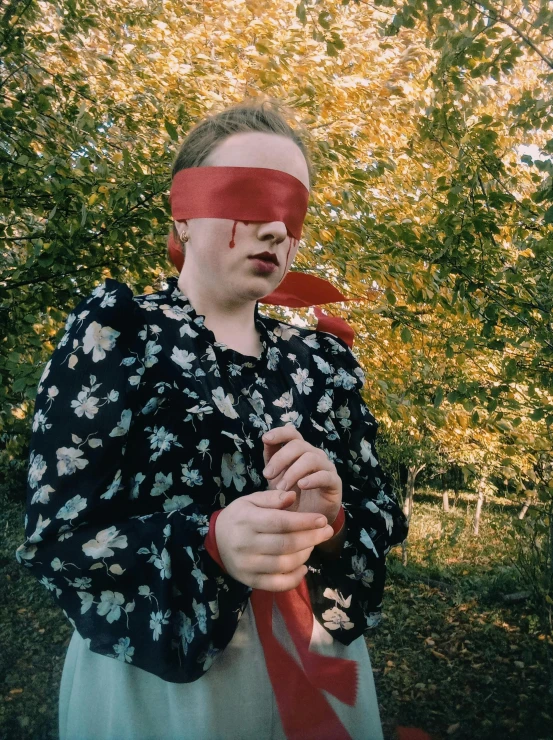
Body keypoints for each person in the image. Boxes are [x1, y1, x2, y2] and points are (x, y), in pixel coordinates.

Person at [16, 100, 408, 740]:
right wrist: (210, 540)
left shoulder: (323, 362)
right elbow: (56, 533)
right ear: (184, 213)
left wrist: (333, 520)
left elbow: (382, 513)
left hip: (321, 673)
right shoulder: (118, 335)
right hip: (158, 692)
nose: (277, 230)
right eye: (250, 197)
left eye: (294, 211)